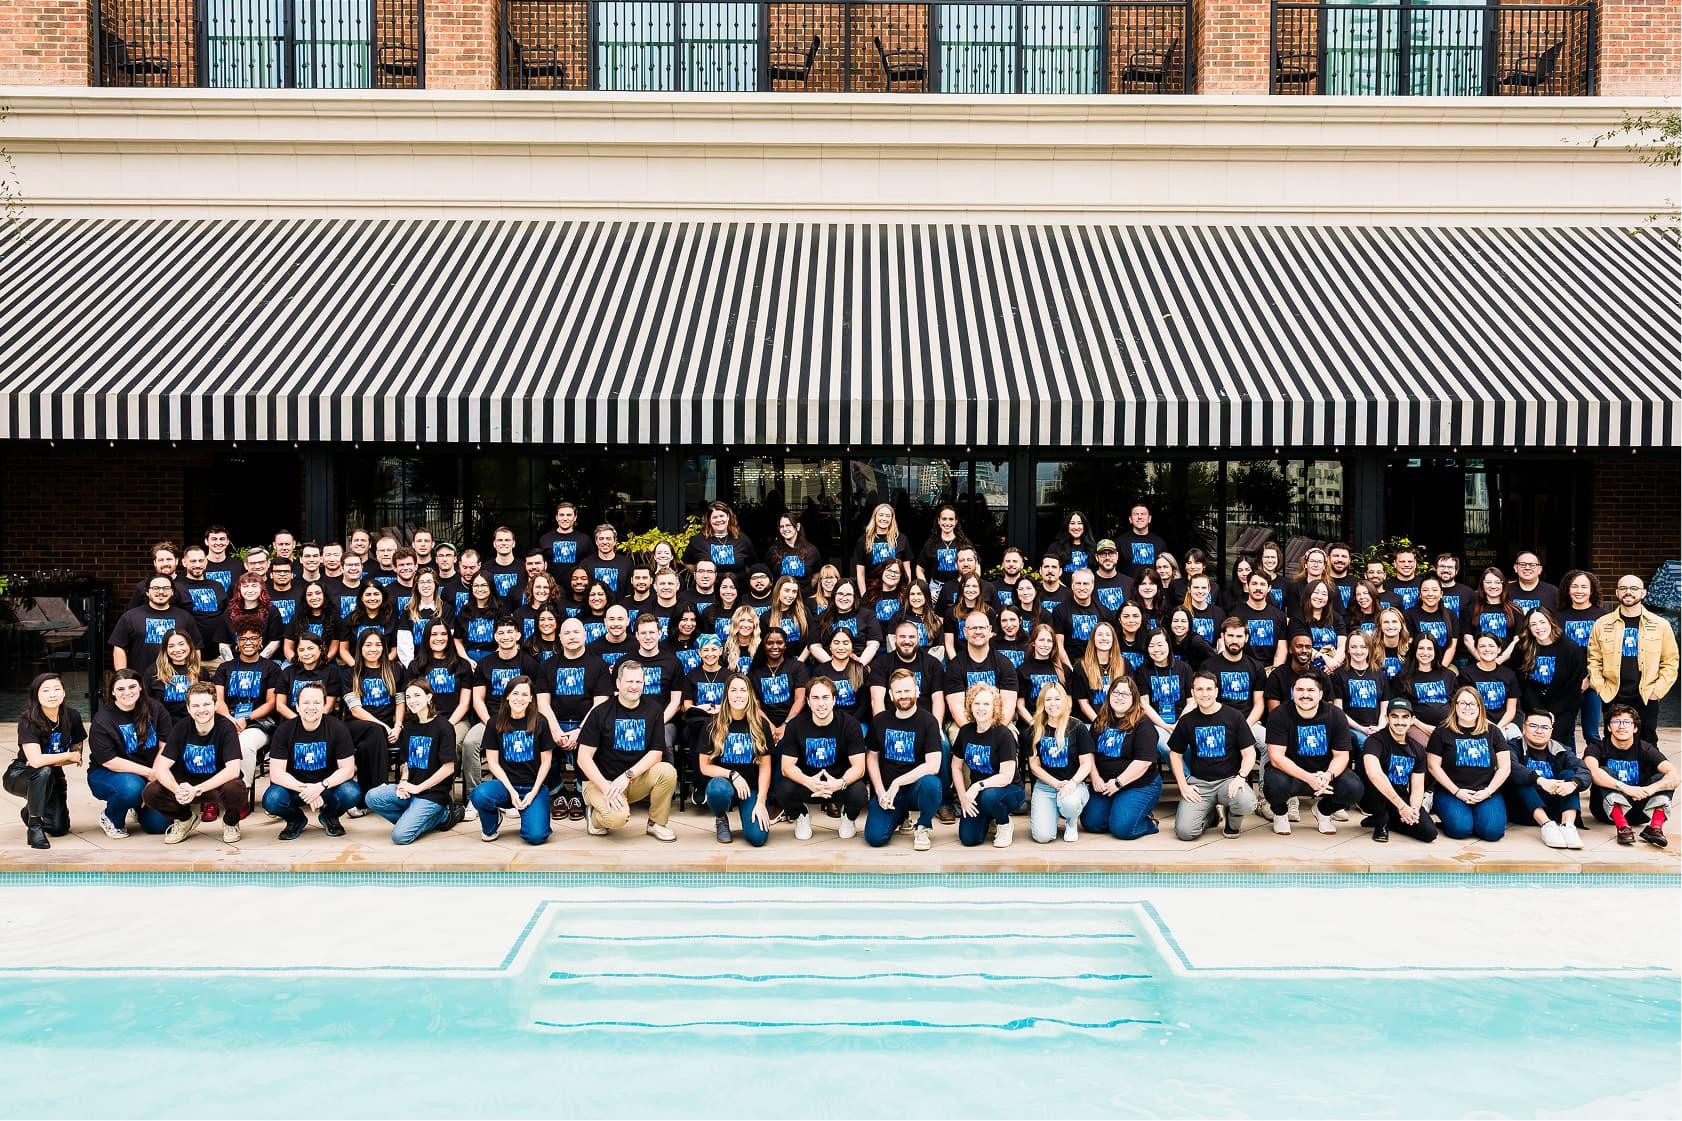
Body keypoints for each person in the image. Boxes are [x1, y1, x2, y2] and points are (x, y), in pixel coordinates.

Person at [576, 660, 680, 841]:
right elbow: (583, 758)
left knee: (667, 772)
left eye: (638, 682)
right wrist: (606, 787)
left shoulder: (654, 710)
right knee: (617, 818)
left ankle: (656, 823)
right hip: (601, 781)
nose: (634, 686)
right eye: (629, 682)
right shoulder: (600, 712)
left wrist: (627, 776)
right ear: (618, 683)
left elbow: (656, 753)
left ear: (644, 683)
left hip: (632, 780)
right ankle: (594, 818)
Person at [143, 683, 248, 845]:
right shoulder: (180, 728)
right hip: (186, 784)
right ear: (188, 708)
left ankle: (231, 822)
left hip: (216, 786)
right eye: (196, 705)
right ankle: (185, 819)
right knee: (151, 792)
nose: (201, 710)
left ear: (215, 705)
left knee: (236, 788)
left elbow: (233, 770)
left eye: (206, 704)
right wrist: (177, 789)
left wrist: (197, 789)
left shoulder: (226, 728)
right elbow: (161, 768)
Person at [1262, 673, 1361, 836]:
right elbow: (1276, 758)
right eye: (1299, 690)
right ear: (1293, 692)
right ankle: (1280, 814)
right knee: (1274, 786)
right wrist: (1309, 778)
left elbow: (1341, 756)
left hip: (1323, 774)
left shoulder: (1335, 714)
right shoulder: (1279, 714)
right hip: (1291, 774)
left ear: (1320, 694)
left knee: (1354, 788)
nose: (1305, 695)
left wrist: (1328, 775)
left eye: (1310, 690)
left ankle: (1323, 811)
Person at [1586, 574, 1679, 745]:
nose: (1628, 592)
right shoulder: (1602, 624)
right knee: (1613, 742)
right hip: (1613, 694)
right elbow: (1594, 659)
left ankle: (1648, 772)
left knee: (1647, 744)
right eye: (1623, 588)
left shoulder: (1660, 625)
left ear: (1643, 593)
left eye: (1634, 588)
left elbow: (1670, 662)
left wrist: (1657, 691)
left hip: (1645, 695)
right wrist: (1600, 688)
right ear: (1617, 592)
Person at [261, 683, 361, 840]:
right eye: (306, 702)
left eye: (316, 702)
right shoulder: (284, 730)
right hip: (293, 787)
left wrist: (320, 787)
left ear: (324, 706)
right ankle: (295, 820)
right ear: (298, 706)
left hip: (328, 786)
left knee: (351, 793)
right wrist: (307, 790)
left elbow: (348, 769)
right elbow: (276, 773)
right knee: (272, 800)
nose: (311, 707)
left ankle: (329, 817)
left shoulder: (338, 728)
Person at [364, 680, 460, 844]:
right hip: (411, 789)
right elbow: (407, 762)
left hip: (433, 794)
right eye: (408, 697)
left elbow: (448, 768)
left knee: (400, 836)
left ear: (429, 697)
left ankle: (444, 815)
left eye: (417, 695)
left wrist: (418, 788)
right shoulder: (409, 726)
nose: (412, 700)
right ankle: (413, 816)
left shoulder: (444, 727)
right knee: (372, 797)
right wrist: (403, 782)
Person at [776, 676, 871, 840]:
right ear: (808, 701)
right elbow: (787, 767)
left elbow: (859, 767)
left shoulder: (850, 725)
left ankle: (848, 817)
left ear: (834, 700)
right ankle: (801, 815)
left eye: (826, 697)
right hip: (808, 784)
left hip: (838, 784)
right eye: (815, 698)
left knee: (859, 792)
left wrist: (839, 784)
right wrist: (808, 781)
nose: (821, 703)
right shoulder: (795, 726)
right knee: (783, 790)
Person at [1167, 672, 1259, 841]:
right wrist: (1183, 785)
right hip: (1199, 784)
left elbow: (1249, 752)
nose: (1204, 693)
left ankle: (1232, 823)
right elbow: (1175, 754)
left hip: (1228, 781)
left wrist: (1241, 777)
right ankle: (1211, 816)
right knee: (1185, 832)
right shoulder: (1187, 720)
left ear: (1216, 691)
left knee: (1246, 801)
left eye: (1209, 689)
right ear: (1193, 692)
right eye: (1199, 689)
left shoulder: (1234, 716)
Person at [87, 669, 174, 839]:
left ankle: (137, 804)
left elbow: (165, 745)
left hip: (150, 772)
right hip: (109, 774)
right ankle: (112, 818)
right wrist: (151, 774)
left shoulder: (154, 708)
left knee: (160, 825)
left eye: (132, 686)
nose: (127, 693)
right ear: (112, 692)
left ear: (140, 687)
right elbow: (110, 761)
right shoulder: (103, 719)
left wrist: (155, 776)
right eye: (120, 689)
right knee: (131, 788)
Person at [470, 676, 556, 846]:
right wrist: (511, 791)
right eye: (515, 693)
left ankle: (533, 814)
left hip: (533, 787)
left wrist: (533, 792)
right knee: (479, 794)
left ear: (531, 698)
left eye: (525, 694)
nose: (519, 698)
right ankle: (491, 825)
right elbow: (492, 762)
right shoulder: (495, 722)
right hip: (505, 786)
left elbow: (546, 762)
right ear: (507, 696)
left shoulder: (541, 722)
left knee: (536, 837)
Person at [864, 668, 944, 850]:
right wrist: (879, 791)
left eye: (907, 690)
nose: (903, 696)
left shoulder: (928, 721)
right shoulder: (880, 721)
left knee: (932, 784)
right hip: (888, 794)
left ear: (917, 691)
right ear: (891, 694)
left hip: (915, 789)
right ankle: (900, 816)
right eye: (898, 692)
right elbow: (872, 757)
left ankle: (923, 826)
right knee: (875, 838)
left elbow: (933, 765)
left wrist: (898, 782)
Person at [6, 673, 85, 849]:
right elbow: (35, 762)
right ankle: (34, 827)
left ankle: (29, 810)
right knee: (43, 771)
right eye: (46, 690)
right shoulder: (28, 720)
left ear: (64, 693)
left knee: (58, 828)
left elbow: (77, 755)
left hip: (52, 775)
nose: (52, 694)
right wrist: (65, 756)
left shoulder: (72, 716)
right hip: (20, 774)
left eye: (57, 689)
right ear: (36, 695)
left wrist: (50, 759)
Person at [1425, 686, 1510, 842]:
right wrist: (1457, 792)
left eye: (1472, 704)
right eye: (1462, 703)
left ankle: (1476, 818)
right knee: (1460, 829)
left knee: (1492, 832)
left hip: (1486, 792)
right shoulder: (1442, 731)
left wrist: (1488, 791)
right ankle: (1457, 818)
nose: (1467, 708)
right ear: (1455, 706)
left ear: (1480, 707)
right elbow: (1433, 766)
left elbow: (1505, 767)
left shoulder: (1492, 731)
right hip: (1451, 792)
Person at [1584, 704, 1675, 847]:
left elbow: (1675, 775)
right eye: (1616, 722)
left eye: (1627, 722)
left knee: (1663, 777)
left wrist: (1653, 788)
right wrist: (1624, 787)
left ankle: (1655, 828)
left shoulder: (1645, 748)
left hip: (1639, 811)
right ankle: (1623, 828)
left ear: (1635, 728)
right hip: (1605, 811)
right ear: (1609, 727)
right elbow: (1593, 772)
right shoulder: (1597, 747)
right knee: (1604, 771)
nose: (1621, 726)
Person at [698, 674, 773, 846]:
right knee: (717, 789)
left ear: (749, 695)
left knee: (757, 838)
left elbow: (765, 767)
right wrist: (732, 774)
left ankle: (751, 808)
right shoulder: (712, 724)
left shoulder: (761, 724)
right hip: (725, 785)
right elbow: (704, 767)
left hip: (751, 788)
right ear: (726, 695)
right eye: (733, 690)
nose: (738, 695)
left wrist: (761, 800)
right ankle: (721, 818)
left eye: (743, 690)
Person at [1084, 676, 1162, 840]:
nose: (1120, 697)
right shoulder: (1101, 720)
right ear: (1109, 694)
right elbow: (1088, 752)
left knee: (1122, 829)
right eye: (1116, 692)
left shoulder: (1143, 724)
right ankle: (1121, 811)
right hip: (1106, 783)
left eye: (1125, 694)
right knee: (1091, 823)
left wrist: (1118, 783)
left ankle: (1148, 823)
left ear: (1134, 698)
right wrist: (1095, 777)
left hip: (1138, 784)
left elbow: (1144, 762)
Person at [1504, 709, 1589, 850]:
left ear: (1551, 731)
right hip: (1524, 808)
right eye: (1533, 726)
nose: (1539, 731)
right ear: (1524, 727)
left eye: (1544, 727)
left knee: (1569, 775)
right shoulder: (1513, 746)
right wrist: (1540, 780)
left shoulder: (1560, 749)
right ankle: (1547, 825)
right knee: (1523, 778)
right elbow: (1510, 767)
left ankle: (1568, 826)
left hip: (1554, 806)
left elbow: (1585, 771)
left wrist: (1573, 784)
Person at [951, 683, 1023, 847]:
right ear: (970, 706)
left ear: (994, 707)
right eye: (976, 703)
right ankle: (990, 817)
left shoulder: (1004, 735)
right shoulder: (965, 732)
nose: (981, 708)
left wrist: (977, 786)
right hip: (981, 793)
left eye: (986, 704)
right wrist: (963, 796)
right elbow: (955, 766)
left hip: (1009, 790)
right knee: (969, 839)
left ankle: (1004, 823)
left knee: (989, 796)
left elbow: (1006, 777)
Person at [1022, 681, 1093, 843]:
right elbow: (1034, 766)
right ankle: (1051, 812)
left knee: (1069, 802)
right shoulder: (1034, 730)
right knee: (1042, 837)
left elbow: (1086, 763)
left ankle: (1071, 821)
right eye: (1048, 700)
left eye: (1057, 699)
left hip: (1073, 785)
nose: (1053, 704)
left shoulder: (1077, 727)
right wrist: (1056, 784)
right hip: (1046, 786)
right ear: (1042, 703)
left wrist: (1072, 783)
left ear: (1064, 701)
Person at [213, 620, 283, 785]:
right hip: (226, 720)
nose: (248, 643)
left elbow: (271, 703)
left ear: (260, 641)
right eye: (243, 639)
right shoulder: (225, 668)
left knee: (244, 743)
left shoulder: (271, 668)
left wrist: (247, 719)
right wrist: (231, 720)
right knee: (211, 741)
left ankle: (241, 791)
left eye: (253, 638)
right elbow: (218, 700)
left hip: (258, 723)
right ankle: (212, 797)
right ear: (237, 642)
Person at [1356, 700, 1436, 843]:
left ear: (1412, 720)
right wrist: (1402, 806)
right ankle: (1381, 820)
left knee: (1429, 833)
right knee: (1374, 776)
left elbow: (1417, 787)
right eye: (1395, 716)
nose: (1400, 722)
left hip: (1398, 798)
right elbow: (1374, 774)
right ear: (1387, 719)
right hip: (1374, 795)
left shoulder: (1417, 749)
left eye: (1405, 717)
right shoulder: (1375, 741)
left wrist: (1414, 810)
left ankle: (1389, 819)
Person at [343, 630, 402, 807]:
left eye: (377, 645)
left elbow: (400, 701)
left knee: (364, 746)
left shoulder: (394, 670)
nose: (373, 649)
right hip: (356, 726)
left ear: (384, 648)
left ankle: (364, 797)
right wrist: (383, 725)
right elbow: (355, 710)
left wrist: (398, 725)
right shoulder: (351, 673)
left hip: (384, 729)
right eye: (368, 645)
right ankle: (380, 791)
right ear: (360, 648)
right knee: (374, 731)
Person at [108, 574, 200, 672]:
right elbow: (119, 647)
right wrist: (123, 676)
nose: (161, 592)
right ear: (147, 592)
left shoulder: (185, 617)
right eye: (156, 588)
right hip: (140, 679)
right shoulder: (130, 617)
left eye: (166, 588)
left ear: (172, 592)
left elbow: (196, 648)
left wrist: (194, 673)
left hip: (176, 680)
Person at [1460, 632, 1523, 742]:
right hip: (1477, 723)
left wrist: (1499, 727)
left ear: (1499, 649)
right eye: (1482, 646)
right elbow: (1467, 707)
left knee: (1515, 742)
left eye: (1491, 646)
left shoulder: (1509, 675)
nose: (1487, 649)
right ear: (1476, 649)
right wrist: (1489, 727)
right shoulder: (1466, 674)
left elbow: (1511, 710)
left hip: (1504, 724)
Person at [685, 500, 756, 577]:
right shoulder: (698, 541)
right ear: (709, 520)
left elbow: (752, 565)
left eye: (722, 516)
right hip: (709, 588)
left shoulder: (742, 539)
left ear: (728, 517)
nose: (719, 520)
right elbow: (687, 562)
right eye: (714, 517)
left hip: (737, 587)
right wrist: (701, 577)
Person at [852, 503, 913, 593]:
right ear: (875, 517)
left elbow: (907, 569)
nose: (884, 519)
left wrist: (907, 592)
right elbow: (860, 573)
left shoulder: (901, 539)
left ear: (892, 519)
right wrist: (863, 595)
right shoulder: (863, 540)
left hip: (896, 591)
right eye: (881, 515)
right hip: (871, 590)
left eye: (887, 516)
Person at [1119, 504, 1170, 580]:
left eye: (1143, 514)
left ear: (1149, 519)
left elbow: (1165, 568)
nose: (1140, 517)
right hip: (1128, 588)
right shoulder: (1120, 541)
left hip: (1153, 588)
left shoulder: (1160, 543)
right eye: (1136, 514)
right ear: (1130, 519)